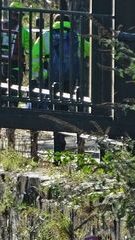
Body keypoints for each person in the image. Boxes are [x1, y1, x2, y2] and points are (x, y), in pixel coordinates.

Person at [30, 14, 91, 153]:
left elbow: (35, 55)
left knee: (55, 111)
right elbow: (89, 51)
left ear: (55, 22)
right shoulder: (76, 37)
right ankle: (79, 146)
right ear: (69, 23)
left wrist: (40, 75)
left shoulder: (46, 36)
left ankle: (58, 144)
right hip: (71, 80)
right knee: (72, 109)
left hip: (52, 79)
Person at [0, 2, 31, 145]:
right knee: (13, 97)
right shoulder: (23, 31)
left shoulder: (0, 26)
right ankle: (10, 131)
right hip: (16, 67)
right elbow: (30, 48)